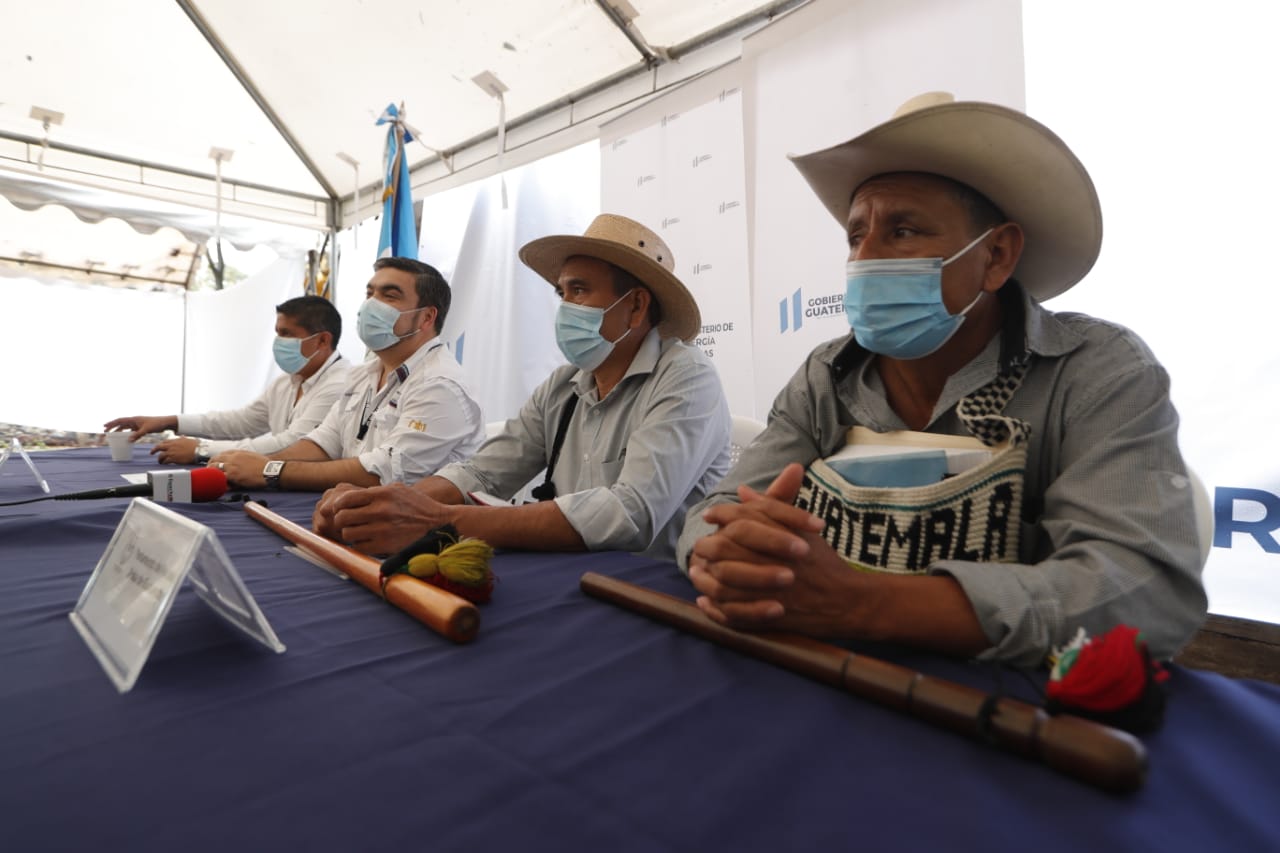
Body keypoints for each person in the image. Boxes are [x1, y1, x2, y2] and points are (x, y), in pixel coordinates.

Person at [678, 92, 1208, 666]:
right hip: (828, 675)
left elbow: (1141, 589)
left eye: (904, 232)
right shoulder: (824, 377)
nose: (866, 259)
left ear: (997, 256)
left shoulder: (1096, 371)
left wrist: (864, 605)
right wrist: (728, 551)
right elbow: (719, 513)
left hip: (1002, 712)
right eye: (857, 236)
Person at [313, 214, 731, 562]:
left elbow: (631, 512)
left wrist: (438, 519)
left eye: (579, 291)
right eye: (561, 292)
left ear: (636, 306)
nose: (564, 305)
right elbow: (483, 471)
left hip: (651, 594)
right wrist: (388, 506)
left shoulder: (686, 377)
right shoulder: (565, 385)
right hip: (574, 575)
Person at [210, 257, 484, 491]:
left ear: (426, 317)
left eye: (389, 296)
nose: (371, 306)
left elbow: (384, 472)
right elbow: (323, 444)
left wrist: (271, 470)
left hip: (415, 534)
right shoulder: (363, 375)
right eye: (370, 294)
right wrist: (256, 465)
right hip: (355, 510)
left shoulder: (439, 384)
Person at [104, 295, 349, 464]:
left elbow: (292, 445)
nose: (278, 342)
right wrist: (169, 421)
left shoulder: (340, 385)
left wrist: (201, 451)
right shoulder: (287, 382)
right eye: (277, 333)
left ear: (322, 341)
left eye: (286, 334)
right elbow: (239, 422)